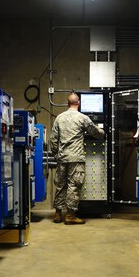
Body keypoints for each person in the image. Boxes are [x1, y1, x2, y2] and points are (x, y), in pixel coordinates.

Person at [49, 92, 105, 225]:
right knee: (73, 185)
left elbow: (53, 140)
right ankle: (70, 216)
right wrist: (103, 132)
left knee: (60, 185)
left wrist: (57, 155)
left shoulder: (59, 118)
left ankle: (57, 214)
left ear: (67, 103)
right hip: (76, 157)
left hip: (62, 157)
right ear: (78, 103)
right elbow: (95, 132)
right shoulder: (82, 118)